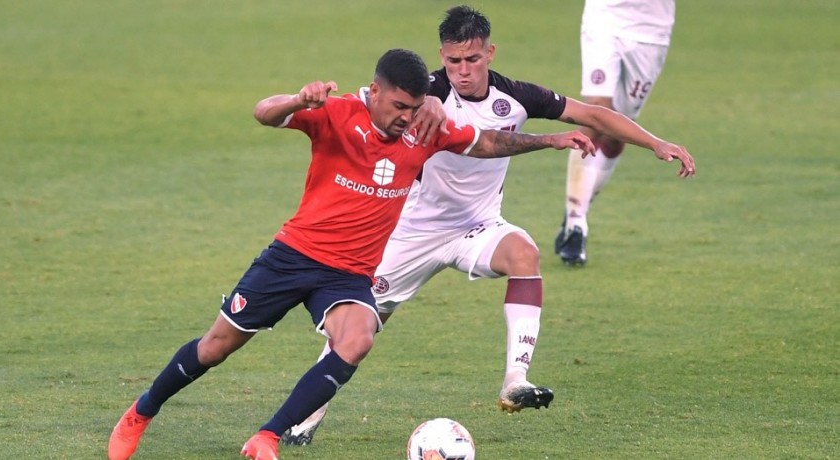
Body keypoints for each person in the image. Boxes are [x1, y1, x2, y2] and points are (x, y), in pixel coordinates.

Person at [106, 48, 595, 460]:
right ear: (374, 92)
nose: (406, 117)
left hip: (348, 275)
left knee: (358, 339)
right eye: (399, 106)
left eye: (415, 106)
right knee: (215, 347)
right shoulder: (337, 113)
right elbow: (264, 112)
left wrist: (549, 139)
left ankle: (267, 436)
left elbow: (486, 142)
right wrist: (297, 99)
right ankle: (142, 411)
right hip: (292, 257)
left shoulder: (425, 128)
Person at [281, 5, 694, 446]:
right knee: (356, 329)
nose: (462, 71)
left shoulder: (515, 97)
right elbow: (386, 101)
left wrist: (654, 141)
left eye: (473, 60)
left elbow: (592, 116)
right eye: (453, 61)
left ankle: (515, 380)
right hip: (411, 234)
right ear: (441, 56)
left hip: (477, 227)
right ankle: (304, 419)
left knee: (525, 253)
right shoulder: (426, 94)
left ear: (490, 53)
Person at [555, 0, 677, 265]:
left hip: (651, 31)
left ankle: (579, 204)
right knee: (597, 111)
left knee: (617, 130)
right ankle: (576, 224)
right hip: (605, 17)